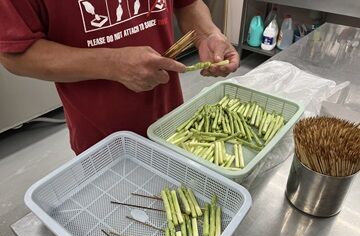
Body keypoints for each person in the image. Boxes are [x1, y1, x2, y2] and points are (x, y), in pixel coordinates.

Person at [0, 0, 239, 155]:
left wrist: (208, 34)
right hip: (100, 134)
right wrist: (111, 64)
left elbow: (188, 3)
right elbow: (16, 54)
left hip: (170, 119)